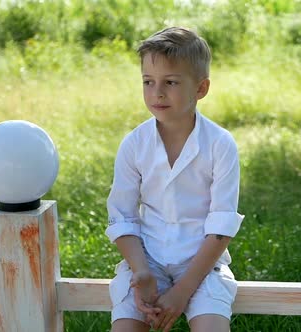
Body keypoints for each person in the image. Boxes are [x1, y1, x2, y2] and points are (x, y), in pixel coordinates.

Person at [106, 26, 244, 332]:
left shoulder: (220, 144)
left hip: (202, 265)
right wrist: (141, 272)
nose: (157, 93)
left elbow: (221, 226)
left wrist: (182, 292)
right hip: (147, 260)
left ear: (201, 88)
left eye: (170, 82)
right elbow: (122, 216)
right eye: (148, 82)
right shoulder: (134, 144)